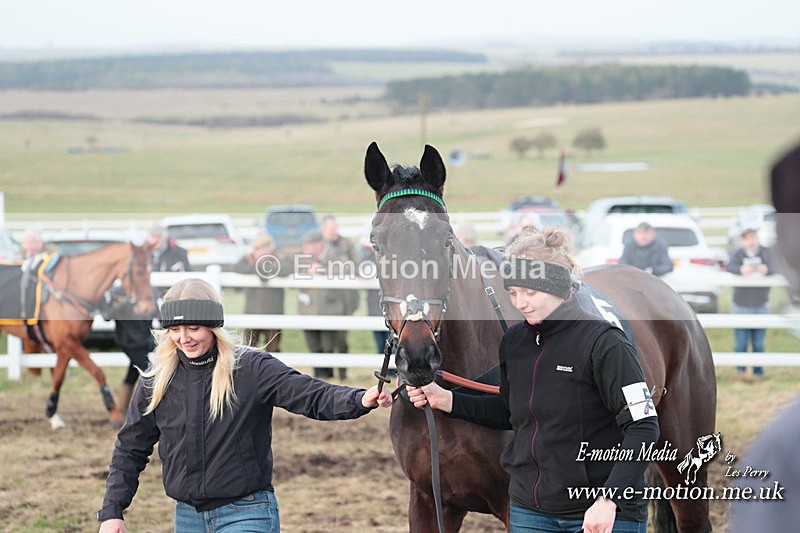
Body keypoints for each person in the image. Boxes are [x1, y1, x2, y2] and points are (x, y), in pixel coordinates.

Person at [407, 228, 659, 533]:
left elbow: (643, 427)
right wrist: (449, 401)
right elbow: (512, 412)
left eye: (530, 293)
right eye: (513, 293)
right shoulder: (515, 342)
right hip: (531, 513)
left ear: (555, 286)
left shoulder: (607, 343)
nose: (520, 303)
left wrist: (610, 500)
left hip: (600, 512)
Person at [96, 277, 392, 533]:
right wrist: (112, 512)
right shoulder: (156, 381)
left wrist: (358, 399)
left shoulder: (251, 369)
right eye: (174, 330)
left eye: (194, 328)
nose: (183, 338)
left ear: (213, 326)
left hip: (246, 513)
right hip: (187, 516)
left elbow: (309, 394)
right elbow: (130, 447)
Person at [112, 224, 192, 416]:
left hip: (151, 320)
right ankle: (148, 410)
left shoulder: (172, 254)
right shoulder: (137, 263)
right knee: (148, 369)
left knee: (137, 369)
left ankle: (121, 410)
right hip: (135, 328)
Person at [725, 227, 776, 381]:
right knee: (741, 340)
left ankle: (758, 371)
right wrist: (741, 270)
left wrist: (767, 270)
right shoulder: (737, 253)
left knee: (758, 341)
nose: (751, 241)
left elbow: (777, 266)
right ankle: (741, 371)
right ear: (743, 240)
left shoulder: (766, 253)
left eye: (753, 238)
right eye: (748, 238)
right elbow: (729, 267)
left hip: (761, 302)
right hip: (741, 303)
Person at [231, 233, 287, 352]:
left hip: (273, 313)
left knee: (273, 350)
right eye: (256, 249)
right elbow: (237, 268)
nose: (257, 252)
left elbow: (286, 269)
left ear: (269, 248)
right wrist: (258, 266)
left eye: (260, 249)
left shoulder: (280, 259)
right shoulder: (248, 259)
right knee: (248, 349)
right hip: (251, 312)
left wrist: (263, 267)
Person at [320, 215, 359, 379]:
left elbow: (354, 264)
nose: (334, 232)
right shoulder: (319, 245)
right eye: (330, 229)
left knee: (342, 339)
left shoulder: (346, 243)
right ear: (323, 229)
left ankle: (342, 373)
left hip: (344, 299)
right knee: (326, 340)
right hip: (325, 300)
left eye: (335, 228)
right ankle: (327, 374)